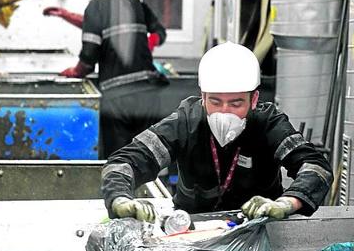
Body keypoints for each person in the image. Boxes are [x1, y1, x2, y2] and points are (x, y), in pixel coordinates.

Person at [101, 42, 333, 222]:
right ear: (202, 97)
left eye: (235, 104)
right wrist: (120, 199)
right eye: (215, 102)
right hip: (192, 233)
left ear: (254, 99)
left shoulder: (268, 123)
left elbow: (315, 167)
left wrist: (286, 204)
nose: (224, 113)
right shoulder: (186, 121)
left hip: (261, 231)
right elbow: (125, 162)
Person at [44, 0, 168, 156]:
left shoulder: (95, 7)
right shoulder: (134, 2)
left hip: (117, 98)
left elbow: (88, 58)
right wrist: (65, 15)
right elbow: (106, 24)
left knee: (120, 161)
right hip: (148, 93)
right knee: (147, 158)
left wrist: (75, 71)